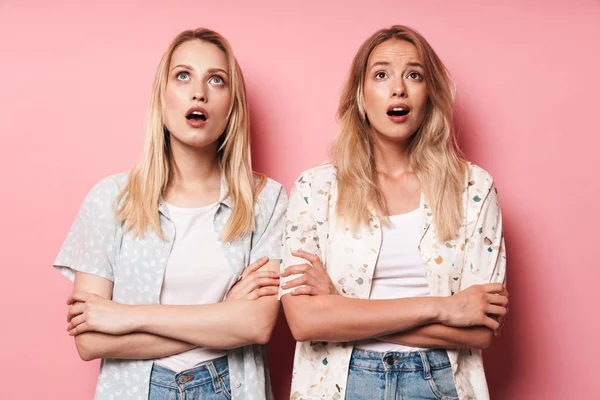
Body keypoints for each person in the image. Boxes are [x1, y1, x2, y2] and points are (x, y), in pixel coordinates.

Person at [54, 28, 286, 400]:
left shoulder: (267, 200)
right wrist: (223, 316)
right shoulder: (110, 199)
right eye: (183, 76)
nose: (199, 92)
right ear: (162, 98)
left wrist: (129, 316)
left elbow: (256, 325)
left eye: (216, 79)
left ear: (232, 104)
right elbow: (92, 339)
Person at [280, 25, 507, 400]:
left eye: (414, 75)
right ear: (360, 94)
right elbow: (305, 321)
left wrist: (341, 310)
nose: (398, 88)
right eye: (381, 74)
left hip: (440, 379)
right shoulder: (315, 189)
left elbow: (480, 330)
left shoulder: (473, 189)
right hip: (343, 382)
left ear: (429, 94)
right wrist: (445, 308)